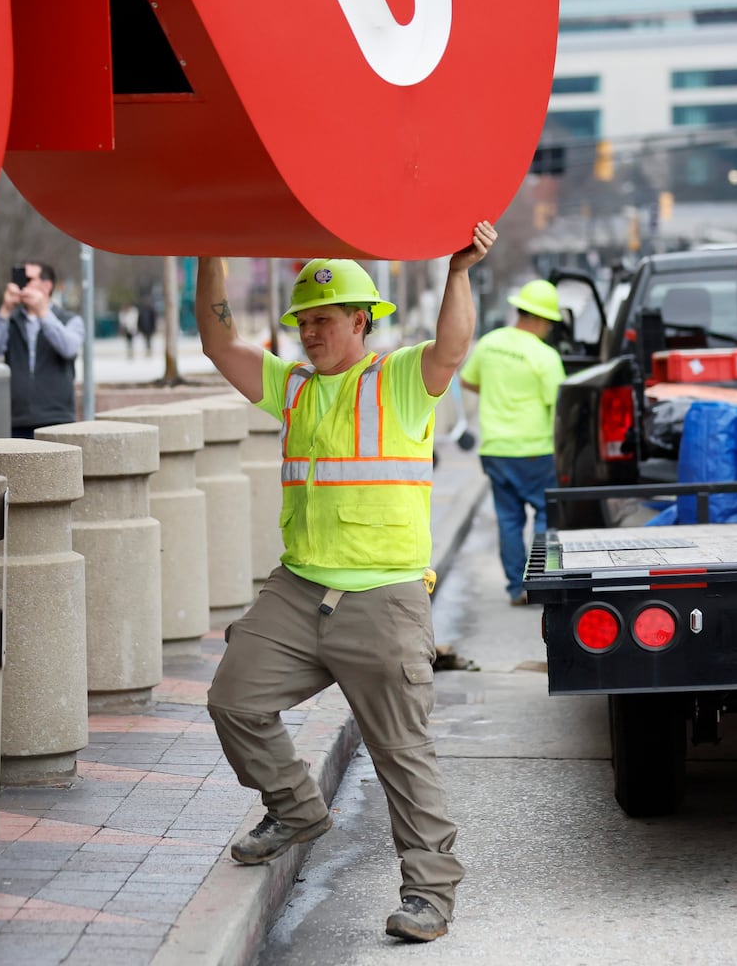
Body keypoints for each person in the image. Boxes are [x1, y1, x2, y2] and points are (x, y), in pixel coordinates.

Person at [195, 221, 497, 944]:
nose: (310, 332)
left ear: (361, 320)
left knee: (402, 753)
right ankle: (296, 807)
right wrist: (209, 246)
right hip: (299, 592)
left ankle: (429, 893)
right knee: (233, 699)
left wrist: (459, 273)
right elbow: (218, 343)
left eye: (324, 320)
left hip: (384, 598)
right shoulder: (291, 388)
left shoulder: (400, 379)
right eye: (302, 321)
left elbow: (454, 346)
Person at [459, 279, 566, 605]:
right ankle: (542, 584)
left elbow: (468, 381)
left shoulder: (489, 344)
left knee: (508, 520)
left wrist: (497, 390)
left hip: (495, 449)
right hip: (535, 449)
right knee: (546, 518)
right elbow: (559, 405)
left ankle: (515, 587)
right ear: (542, 319)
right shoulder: (545, 356)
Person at [0, 261, 85, 438]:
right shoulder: (11, 320)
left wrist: (43, 311)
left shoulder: (69, 319)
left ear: (46, 285)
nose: (22, 284)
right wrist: (5, 309)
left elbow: (69, 348)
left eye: (28, 279)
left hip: (57, 418)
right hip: (16, 420)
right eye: (19, 277)